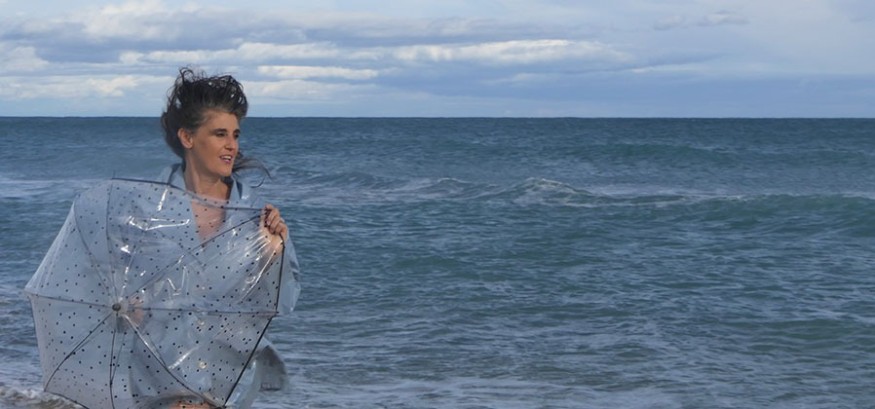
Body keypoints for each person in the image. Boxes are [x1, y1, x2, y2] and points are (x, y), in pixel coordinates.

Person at [155, 67, 301, 408]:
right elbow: (117, 297)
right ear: (187, 137)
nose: (231, 146)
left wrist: (273, 254)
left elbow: (280, 303)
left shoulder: (254, 215)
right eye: (220, 134)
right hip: (161, 383)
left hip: (230, 382)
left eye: (235, 135)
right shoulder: (149, 207)